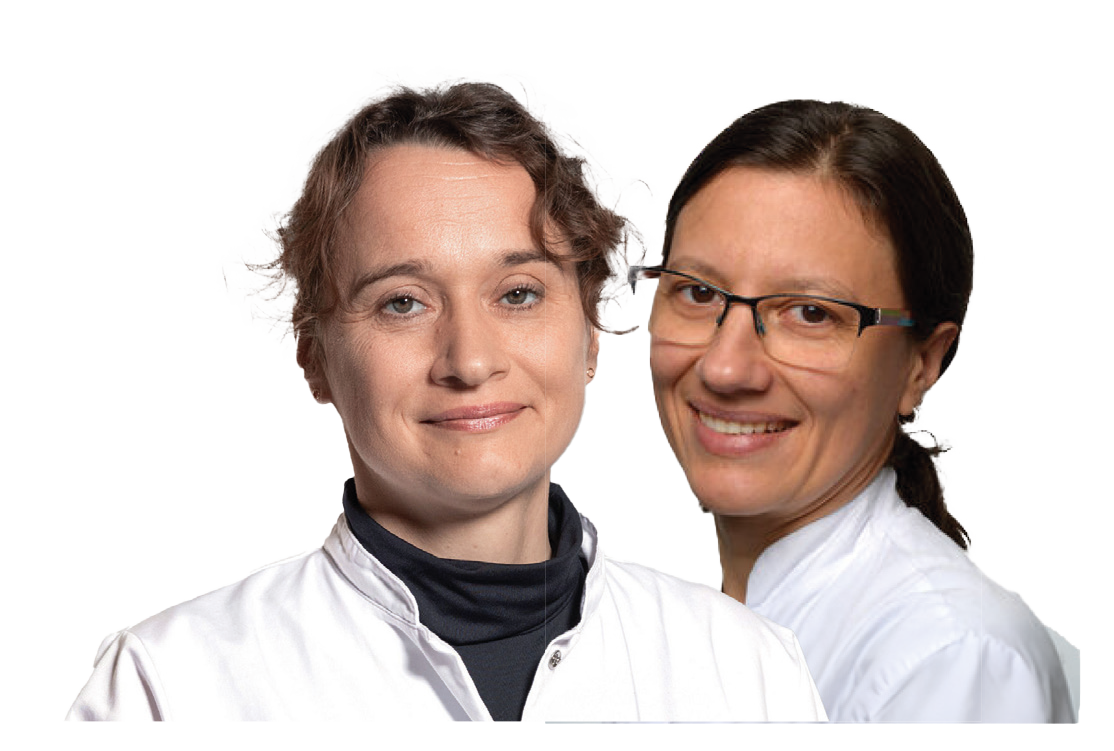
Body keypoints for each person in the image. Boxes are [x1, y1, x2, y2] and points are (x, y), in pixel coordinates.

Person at [66, 80, 825, 722]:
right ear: (315, 355)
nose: (469, 360)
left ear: (591, 333)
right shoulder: (172, 688)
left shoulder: (747, 672)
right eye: (402, 302)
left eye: (518, 293)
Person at [629, 99, 1074, 723]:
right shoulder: (678, 631)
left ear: (922, 363)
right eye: (699, 293)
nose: (725, 369)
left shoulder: (952, 659)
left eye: (811, 313)